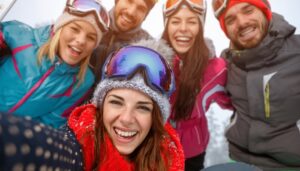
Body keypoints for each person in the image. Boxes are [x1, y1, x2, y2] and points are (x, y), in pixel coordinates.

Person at [0, 39, 185, 171]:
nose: (127, 118)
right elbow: (38, 148)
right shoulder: (81, 143)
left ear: (156, 117)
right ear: (101, 106)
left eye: (143, 107)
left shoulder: (167, 158)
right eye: (116, 102)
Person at [212, 0, 300, 170]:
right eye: (230, 20)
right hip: (239, 161)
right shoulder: (227, 64)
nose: (242, 23)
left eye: (248, 10)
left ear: (265, 10)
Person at [0, 0, 109, 128]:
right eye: (74, 29)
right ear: (60, 27)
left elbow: (49, 125)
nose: (81, 41)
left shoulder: (82, 82)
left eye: (91, 37)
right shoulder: (21, 36)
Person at [161, 0, 232, 170]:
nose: (183, 28)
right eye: (176, 21)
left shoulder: (215, 69)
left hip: (192, 151)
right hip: (156, 147)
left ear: (200, 27)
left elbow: (238, 99)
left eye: (192, 21)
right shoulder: (155, 62)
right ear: (167, 26)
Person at [90, 0, 157, 83]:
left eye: (141, 8)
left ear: (145, 16)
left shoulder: (148, 50)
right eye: (129, 1)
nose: (131, 12)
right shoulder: (90, 23)